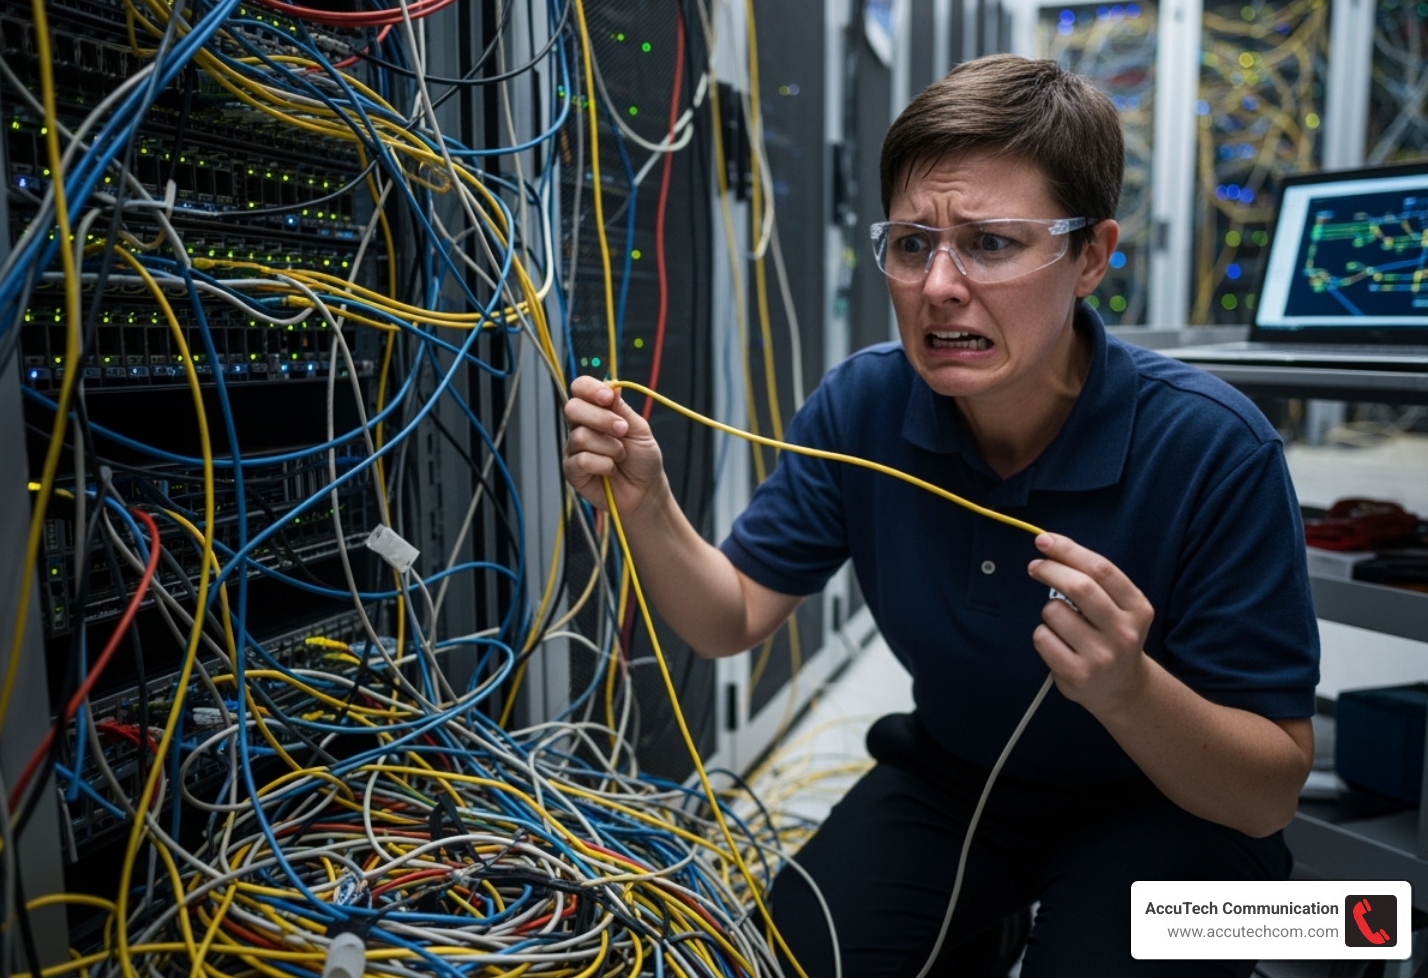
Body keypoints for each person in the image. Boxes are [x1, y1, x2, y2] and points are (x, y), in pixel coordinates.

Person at [561, 54, 1320, 977]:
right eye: (913, 244)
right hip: (959, 780)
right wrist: (646, 507)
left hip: (1177, 807)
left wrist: (1129, 690)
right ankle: (980, 928)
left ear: (1091, 256)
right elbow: (730, 619)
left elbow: (1267, 797)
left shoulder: (1213, 448)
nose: (940, 285)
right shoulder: (865, 405)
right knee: (785, 961)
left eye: (992, 243)